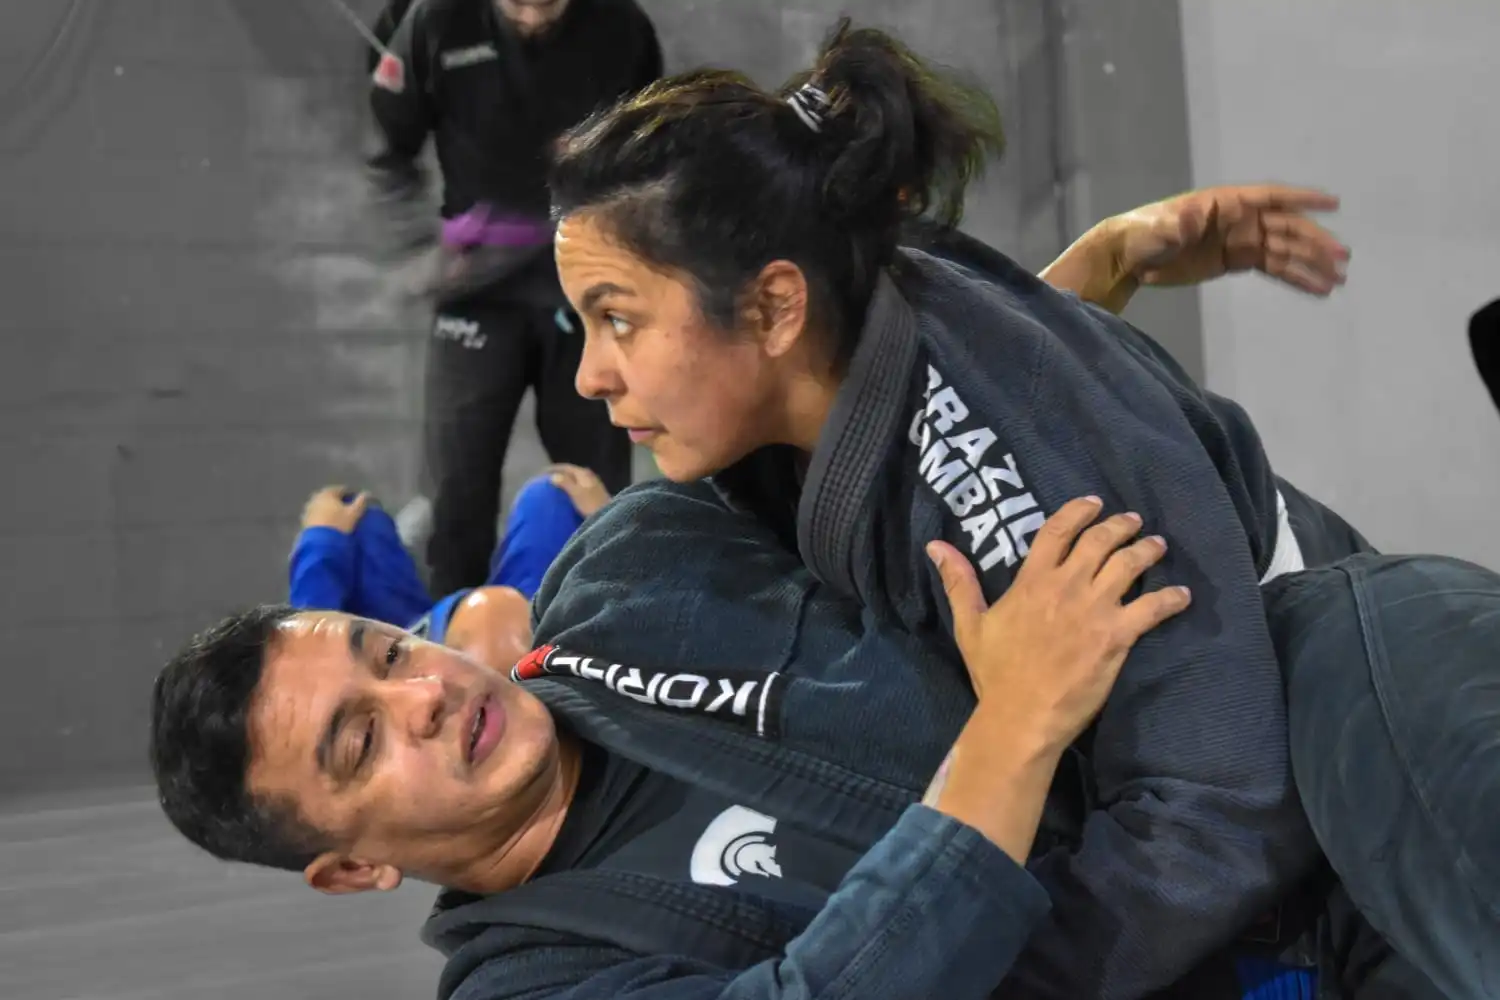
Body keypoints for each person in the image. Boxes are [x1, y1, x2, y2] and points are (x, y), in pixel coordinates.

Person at [546, 19, 1369, 998]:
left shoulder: (1041, 526)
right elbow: (987, 392)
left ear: (772, 308)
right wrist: (1101, 264)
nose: (591, 375)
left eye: (620, 319)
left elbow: (1217, 813)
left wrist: (982, 965)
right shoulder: (862, 293)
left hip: (1340, 801)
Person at [151, 493, 1194, 1000]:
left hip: (1216, 786)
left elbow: (890, 477)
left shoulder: (632, 566)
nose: (427, 691)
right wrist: (1018, 719)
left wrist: (1063, 294)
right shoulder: (532, 987)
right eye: (362, 740)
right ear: (352, 867)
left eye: (389, 652)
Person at [366, 0, 662, 595]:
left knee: (595, 495)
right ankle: (450, 644)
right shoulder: (435, 24)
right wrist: (426, 246)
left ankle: (597, 644)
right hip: (476, 295)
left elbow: (654, 159)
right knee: (454, 504)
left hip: (583, 295)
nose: (531, 16)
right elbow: (388, 156)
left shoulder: (622, 28)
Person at [286, 465, 610, 657]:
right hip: (525, 632)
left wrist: (321, 539)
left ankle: (438, 594)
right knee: (553, 493)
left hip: (416, 638)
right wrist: (618, 526)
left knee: (352, 518)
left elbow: (310, 651)